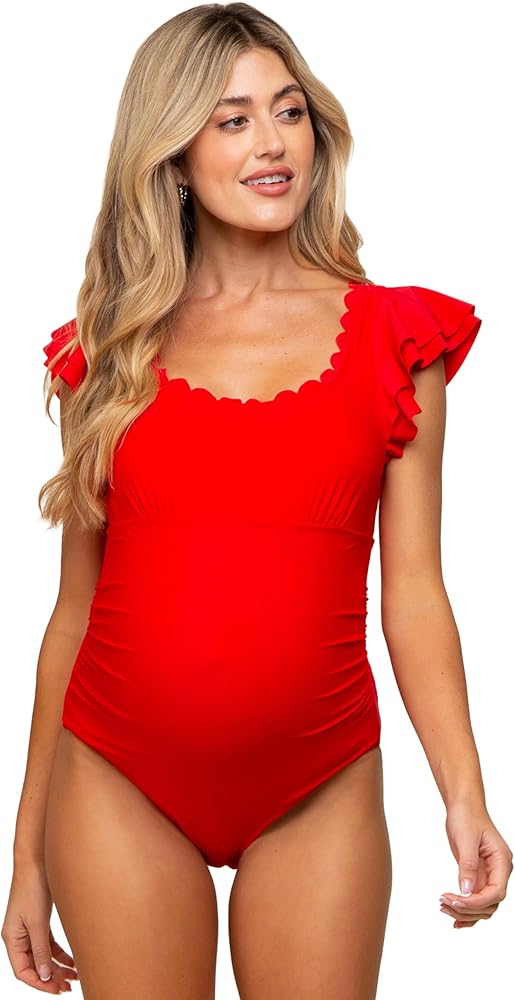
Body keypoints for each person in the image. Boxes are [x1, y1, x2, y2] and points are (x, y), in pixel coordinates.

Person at [2, 3, 513, 998]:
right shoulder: (107, 354)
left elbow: (414, 595)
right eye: (231, 120)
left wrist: (465, 795)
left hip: (317, 781)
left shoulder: (394, 339)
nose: (272, 142)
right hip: (115, 777)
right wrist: (26, 852)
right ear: (172, 155)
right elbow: (72, 613)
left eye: (288, 111)